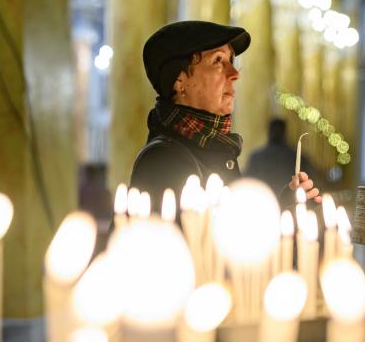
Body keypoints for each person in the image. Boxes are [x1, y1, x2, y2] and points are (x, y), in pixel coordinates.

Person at [130, 20, 320, 209]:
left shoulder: (210, 146)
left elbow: (230, 229)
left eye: (231, 61)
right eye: (218, 60)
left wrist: (287, 205)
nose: (235, 73)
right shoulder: (164, 161)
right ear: (179, 80)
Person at [245, 118, 320, 199]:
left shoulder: (257, 156)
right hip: (281, 201)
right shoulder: (297, 156)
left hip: (265, 201)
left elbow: (246, 181)